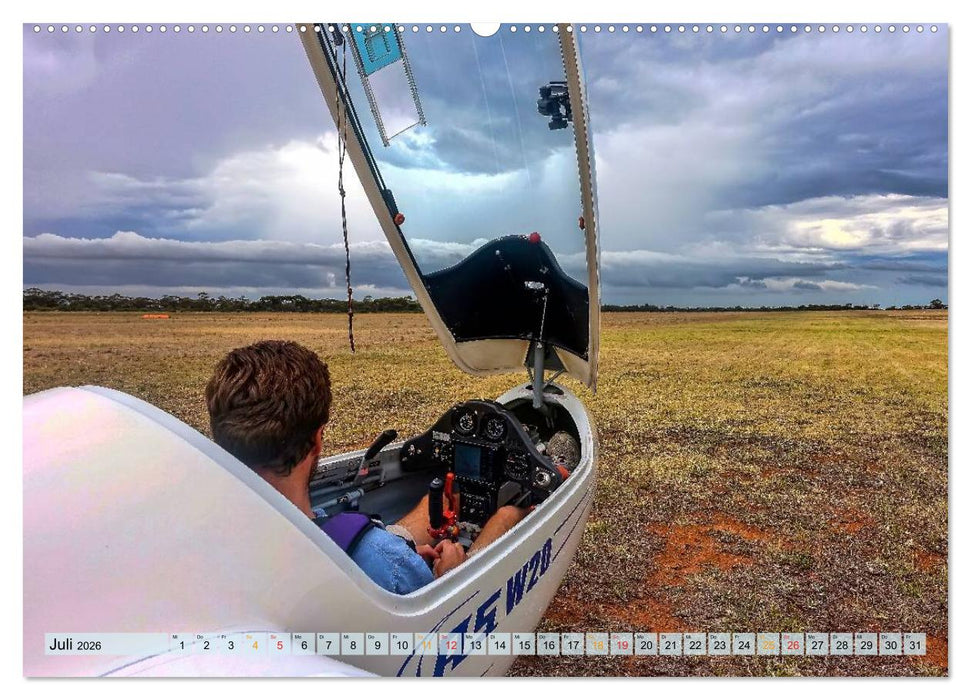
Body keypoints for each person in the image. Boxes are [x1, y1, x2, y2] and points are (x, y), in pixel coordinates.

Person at [205, 340, 528, 594]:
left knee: (440, 501)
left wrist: (398, 547)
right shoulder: (386, 565)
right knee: (506, 515)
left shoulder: (200, 529)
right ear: (317, 439)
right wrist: (452, 572)